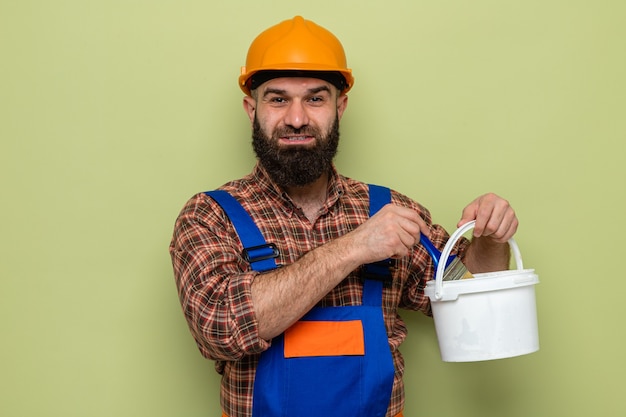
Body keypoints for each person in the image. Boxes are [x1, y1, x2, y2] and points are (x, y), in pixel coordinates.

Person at [169, 15, 518, 417]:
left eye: (315, 98)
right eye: (278, 98)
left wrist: (490, 240)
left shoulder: (390, 212)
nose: (297, 118)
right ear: (252, 109)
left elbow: (471, 301)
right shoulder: (211, 216)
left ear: (340, 107)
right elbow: (218, 328)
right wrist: (355, 246)